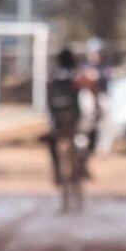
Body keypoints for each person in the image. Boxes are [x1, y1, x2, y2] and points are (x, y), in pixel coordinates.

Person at [43, 47, 85, 195]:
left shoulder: (53, 75)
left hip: (57, 118)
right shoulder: (75, 74)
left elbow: (48, 99)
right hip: (73, 116)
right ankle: (83, 167)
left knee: (53, 144)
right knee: (82, 140)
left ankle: (57, 173)